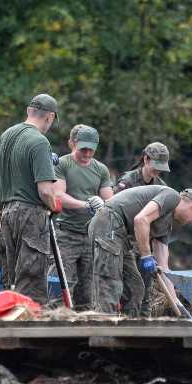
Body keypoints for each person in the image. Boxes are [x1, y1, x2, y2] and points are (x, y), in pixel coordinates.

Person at [89, 185, 192, 315]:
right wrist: (146, 256)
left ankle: (128, 330)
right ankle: (104, 328)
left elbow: (164, 268)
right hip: (109, 222)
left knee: (135, 287)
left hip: (120, 235)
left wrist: (178, 306)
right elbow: (141, 219)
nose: (191, 222)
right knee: (110, 283)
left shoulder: (166, 226)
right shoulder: (172, 197)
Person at [0, 93, 64, 303]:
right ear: (50, 117)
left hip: (5, 214)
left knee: (10, 280)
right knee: (31, 281)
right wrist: (54, 206)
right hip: (30, 215)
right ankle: (31, 330)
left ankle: (9, 328)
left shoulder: (5, 136)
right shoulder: (39, 141)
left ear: (28, 111)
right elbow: (44, 190)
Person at [52, 124, 113, 306]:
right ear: (73, 144)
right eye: (83, 149)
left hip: (91, 237)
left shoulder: (101, 169)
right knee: (61, 287)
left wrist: (103, 206)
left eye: (91, 150)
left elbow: (110, 200)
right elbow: (58, 195)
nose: (87, 153)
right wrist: (86, 205)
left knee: (88, 291)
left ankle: (84, 329)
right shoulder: (63, 164)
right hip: (66, 235)